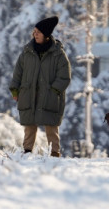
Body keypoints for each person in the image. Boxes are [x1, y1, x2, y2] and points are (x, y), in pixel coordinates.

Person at [10, 15, 71, 157]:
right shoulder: (27, 52)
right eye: (34, 32)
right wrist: (15, 90)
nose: (34, 34)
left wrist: (54, 91)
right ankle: (26, 152)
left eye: (38, 32)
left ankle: (54, 153)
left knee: (51, 127)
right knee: (29, 126)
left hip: (50, 97)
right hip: (29, 95)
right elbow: (17, 72)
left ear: (46, 35)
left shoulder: (58, 54)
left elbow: (64, 76)